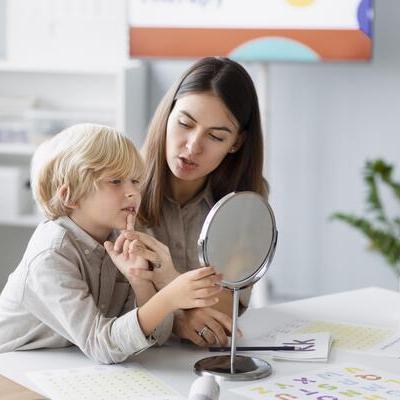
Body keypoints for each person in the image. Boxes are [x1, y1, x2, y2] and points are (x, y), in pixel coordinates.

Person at [0, 124, 223, 364]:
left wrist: (141, 282)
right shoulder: (50, 255)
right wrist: (168, 297)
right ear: (70, 196)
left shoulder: (120, 239)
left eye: (136, 181)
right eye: (115, 181)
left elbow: (156, 336)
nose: (132, 193)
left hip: (61, 364)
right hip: (12, 370)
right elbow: (101, 344)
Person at [128, 57, 268, 347]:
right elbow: (107, 306)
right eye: (184, 123)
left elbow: (226, 310)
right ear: (167, 115)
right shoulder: (120, 185)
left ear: (236, 144)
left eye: (216, 136)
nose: (192, 147)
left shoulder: (246, 203)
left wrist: (168, 285)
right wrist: (178, 321)